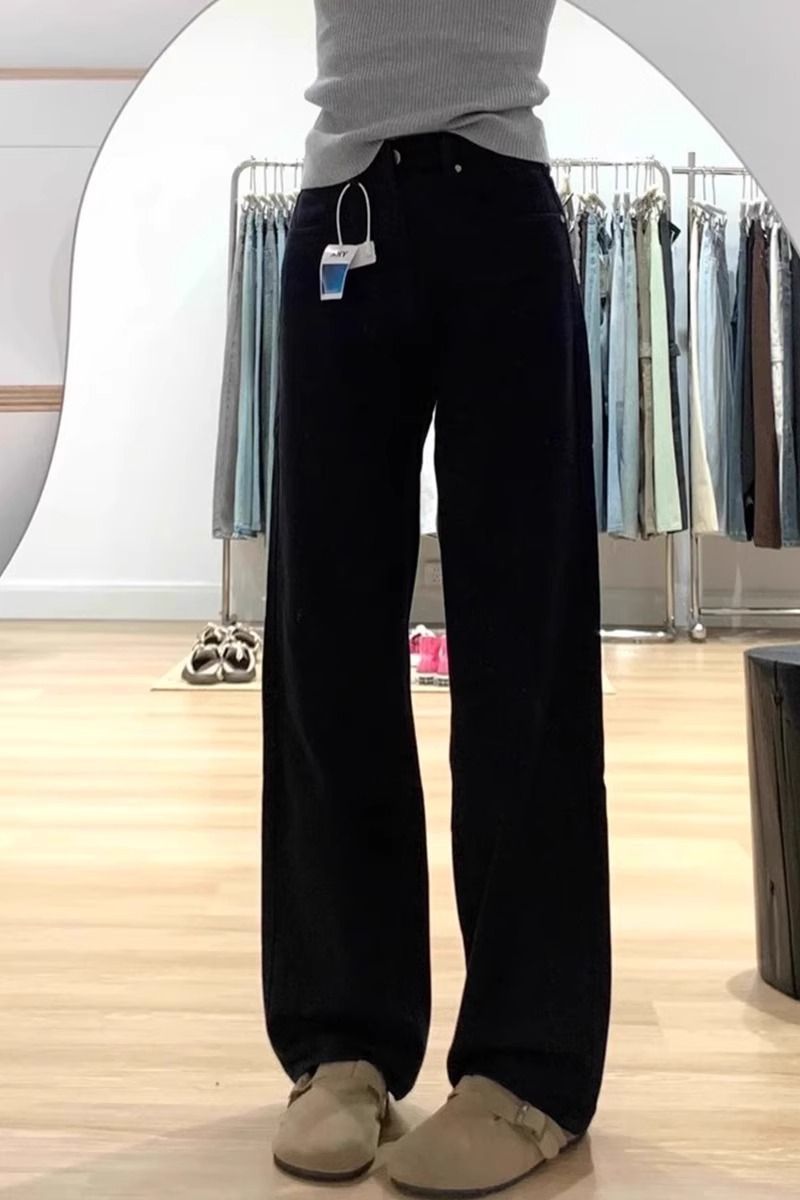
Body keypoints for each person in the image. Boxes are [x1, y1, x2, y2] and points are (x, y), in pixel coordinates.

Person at [262, 1, 611, 1194]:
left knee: (524, 646)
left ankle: (526, 1068)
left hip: (496, 199)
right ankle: (341, 1040)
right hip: (341, 203)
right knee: (324, 644)